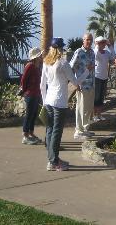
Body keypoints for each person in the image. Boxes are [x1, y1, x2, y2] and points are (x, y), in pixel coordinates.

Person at [40, 37, 84, 171]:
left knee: (50, 129)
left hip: (48, 101)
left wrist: (44, 101)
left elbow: (42, 85)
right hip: (59, 102)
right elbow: (75, 81)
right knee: (56, 132)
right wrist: (87, 71)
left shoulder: (46, 63)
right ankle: (53, 162)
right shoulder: (63, 63)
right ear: (59, 48)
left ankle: (52, 159)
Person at [70, 33, 96, 140]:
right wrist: (75, 83)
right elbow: (70, 67)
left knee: (88, 109)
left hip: (91, 84)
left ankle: (85, 129)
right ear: (83, 41)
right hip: (82, 85)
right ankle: (78, 131)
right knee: (81, 108)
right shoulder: (79, 52)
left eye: (90, 40)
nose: (89, 42)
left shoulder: (92, 52)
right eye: (87, 40)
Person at [19, 47, 43, 145]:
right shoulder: (29, 66)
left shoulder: (37, 66)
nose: (41, 56)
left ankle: (31, 133)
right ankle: (25, 135)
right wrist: (25, 91)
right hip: (30, 94)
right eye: (40, 55)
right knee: (29, 115)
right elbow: (23, 80)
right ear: (36, 57)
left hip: (36, 93)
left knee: (33, 115)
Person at [93, 36, 116, 121]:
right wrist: (97, 45)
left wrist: (110, 46)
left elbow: (113, 56)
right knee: (96, 97)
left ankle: (99, 114)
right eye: (101, 42)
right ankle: (94, 115)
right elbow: (95, 53)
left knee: (102, 97)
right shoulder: (95, 52)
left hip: (104, 77)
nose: (102, 44)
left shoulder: (106, 53)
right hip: (97, 77)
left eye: (103, 42)